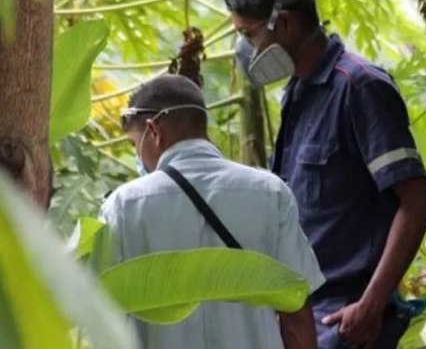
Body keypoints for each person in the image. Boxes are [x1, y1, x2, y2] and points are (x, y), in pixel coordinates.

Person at [225, 0, 426, 349]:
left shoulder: (360, 87)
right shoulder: (299, 91)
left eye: (248, 34)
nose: (245, 50)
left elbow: (417, 199)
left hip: (348, 323)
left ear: (284, 22)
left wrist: (370, 305)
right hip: (308, 319)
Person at [99, 75, 325, 349]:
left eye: (136, 145)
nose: (138, 155)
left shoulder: (123, 206)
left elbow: (106, 319)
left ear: (154, 131)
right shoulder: (270, 193)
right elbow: (296, 313)